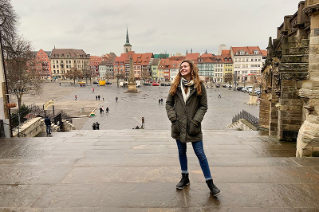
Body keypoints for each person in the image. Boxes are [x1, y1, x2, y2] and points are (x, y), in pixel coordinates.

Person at [165, 59, 220, 196]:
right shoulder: (175, 85)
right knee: (181, 152)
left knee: (200, 153)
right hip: (178, 125)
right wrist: (173, 119)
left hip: (194, 126)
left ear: (191, 68)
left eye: (185, 66)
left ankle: (210, 182)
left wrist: (196, 121)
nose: (182, 68)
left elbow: (203, 106)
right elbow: (168, 104)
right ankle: (185, 178)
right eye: (181, 67)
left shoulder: (199, 85)